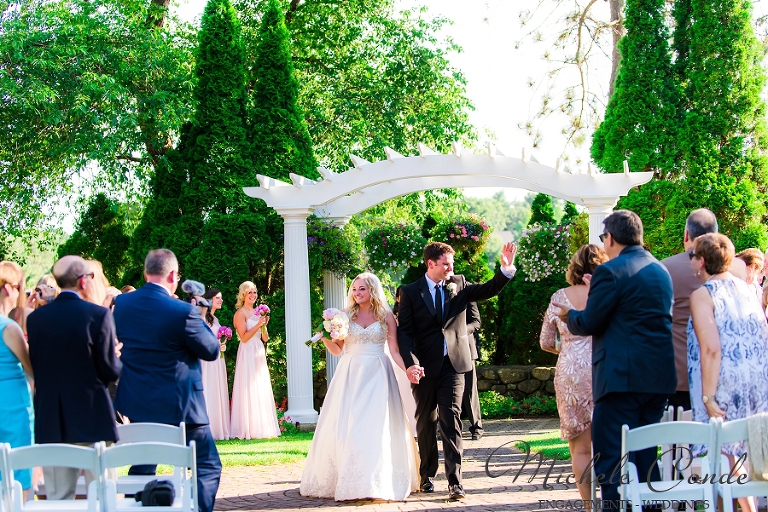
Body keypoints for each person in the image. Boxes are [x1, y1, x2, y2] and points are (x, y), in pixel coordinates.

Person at [554, 210, 676, 509]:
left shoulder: (610, 272)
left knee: (612, 458)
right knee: (646, 453)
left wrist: (571, 316)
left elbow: (591, 322)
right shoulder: (660, 270)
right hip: (658, 377)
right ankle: (651, 507)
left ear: (610, 237)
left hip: (621, 378)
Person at [397, 241, 518, 500]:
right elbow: (404, 333)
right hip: (424, 368)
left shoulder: (459, 284)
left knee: (451, 420)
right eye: (445, 264)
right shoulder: (409, 292)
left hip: (454, 364)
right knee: (426, 421)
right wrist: (410, 363)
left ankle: (455, 482)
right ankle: (427, 475)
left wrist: (505, 271)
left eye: (452, 264)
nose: (450, 268)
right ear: (431, 264)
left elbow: (488, 289)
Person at [112, 249, 221, 512]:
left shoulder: (121, 305)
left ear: (145, 272)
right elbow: (211, 350)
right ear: (173, 275)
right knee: (207, 466)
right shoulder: (183, 311)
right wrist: (198, 313)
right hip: (182, 405)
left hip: (137, 403)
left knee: (144, 463)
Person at [300, 272, 418, 501]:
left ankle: (376, 481)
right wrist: (324, 337)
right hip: (351, 373)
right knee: (351, 424)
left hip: (378, 374)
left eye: (362, 289)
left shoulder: (386, 317)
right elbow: (338, 350)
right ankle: (350, 480)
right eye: (354, 289)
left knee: (376, 425)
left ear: (372, 290)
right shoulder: (343, 316)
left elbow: (394, 351)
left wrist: (409, 369)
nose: (357, 293)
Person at [27, 255, 122, 500]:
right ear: (83, 281)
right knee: (102, 495)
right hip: (92, 415)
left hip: (51, 417)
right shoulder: (98, 315)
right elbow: (109, 371)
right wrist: (113, 355)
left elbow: (37, 365)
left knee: (58, 497)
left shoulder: (36, 319)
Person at [688, 234, 768, 512]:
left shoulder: (703, 294)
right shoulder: (747, 289)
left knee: (727, 455)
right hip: (756, 379)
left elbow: (711, 348)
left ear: (701, 261)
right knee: (741, 455)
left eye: (692, 257)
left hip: (724, 380)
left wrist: (708, 398)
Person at [540, 244, 608, 502]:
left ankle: (590, 507)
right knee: (613, 440)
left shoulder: (560, 296)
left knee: (580, 449)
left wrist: (568, 348)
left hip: (570, 371)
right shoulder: (607, 294)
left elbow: (546, 341)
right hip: (604, 366)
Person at [660, 208, 718, 413]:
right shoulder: (728, 273)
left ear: (686, 235)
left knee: (676, 443)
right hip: (717, 373)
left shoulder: (665, 269)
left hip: (677, 375)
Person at [0, 262, 34, 500]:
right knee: (19, 470)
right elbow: (32, 366)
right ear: (8, 289)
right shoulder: (8, 328)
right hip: (12, 403)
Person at [230, 281, 279, 439]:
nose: (253, 295)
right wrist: (258, 324)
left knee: (260, 386)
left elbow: (265, 338)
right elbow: (243, 338)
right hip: (247, 351)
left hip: (258, 350)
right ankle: (246, 428)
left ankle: (261, 427)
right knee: (247, 386)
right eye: (249, 292)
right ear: (243, 294)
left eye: (255, 292)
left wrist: (264, 325)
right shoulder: (240, 314)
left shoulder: (259, 313)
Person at [201, 288, 230, 441]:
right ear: (210, 299)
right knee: (208, 389)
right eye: (218, 298)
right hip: (207, 360)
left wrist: (221, 345)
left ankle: (217, 427)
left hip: (217, 358)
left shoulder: (215, 319)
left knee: (216, 390)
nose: (221, 300)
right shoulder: (202, 317)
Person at [461, 301, 483, 440]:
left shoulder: (467, 292)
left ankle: (476, 427)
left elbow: (476, 322)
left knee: (469, 389)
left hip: (465, 349)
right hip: (442, 350)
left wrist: (460, 330)